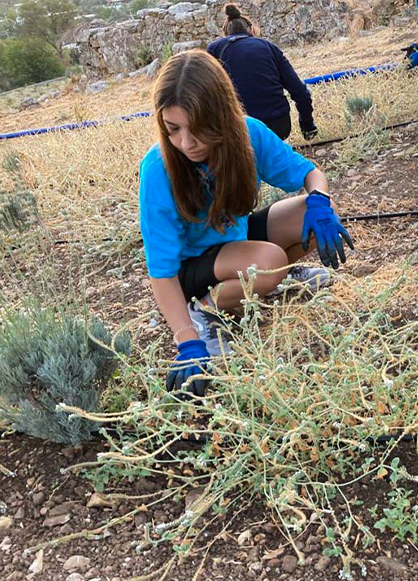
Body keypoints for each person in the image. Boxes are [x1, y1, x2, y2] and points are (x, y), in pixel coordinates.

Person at [138, 50, 353, 396]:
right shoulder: (158, 169)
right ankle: (203, 313)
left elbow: (311, 174)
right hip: (191, 270)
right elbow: (161, 272)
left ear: (221, 115)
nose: (186, 143)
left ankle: (265, 282)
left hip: (233, 241)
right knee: (270, 262)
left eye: (198, 129)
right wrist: (186, 341)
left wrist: (320, 201)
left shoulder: (248, 134)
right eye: (173, 129)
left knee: (307, 215)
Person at [206, 4, 318, 141]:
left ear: (226, 34)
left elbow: (205, 95)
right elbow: (300, 92)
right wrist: (308, 126)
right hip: (278, 125)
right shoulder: (269, 47)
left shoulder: (214, 50)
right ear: (251, 30)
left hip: (238, 127)